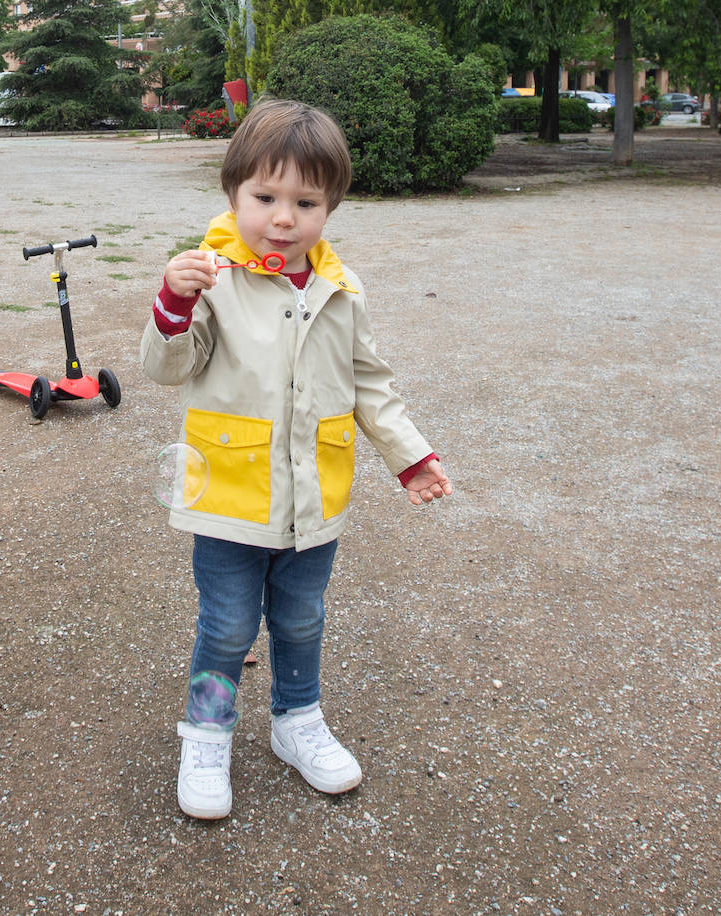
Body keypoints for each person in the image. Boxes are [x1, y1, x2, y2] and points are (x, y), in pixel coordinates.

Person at [140, 99, 452, 820]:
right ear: (232, 194)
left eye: (305, 202)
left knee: (303, 618)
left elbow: (371, 383)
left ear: (330, 206)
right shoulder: (212, 278)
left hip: (315, 499)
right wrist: (171, 305)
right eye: (265, 198)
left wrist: (410, 458)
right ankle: (209, 733)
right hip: (229, 499)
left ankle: (296, 720)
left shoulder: (341, 289)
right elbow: (167, 368)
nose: (283, 218)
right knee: (225, 625)